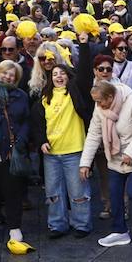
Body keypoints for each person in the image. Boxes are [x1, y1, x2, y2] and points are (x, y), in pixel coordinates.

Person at [82, 80, 132, 248]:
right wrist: (85, 163)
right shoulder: (100, 108)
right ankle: (120, 231)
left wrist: (130, 152)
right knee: (115, 193)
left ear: (110, 97)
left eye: (99, 101)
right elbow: (94, 134)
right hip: (115, 157)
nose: (97, 105)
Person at [32, 63, 92, 239]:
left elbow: (84, 75)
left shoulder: (75, 93)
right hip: (51, 154)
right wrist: (41, 141)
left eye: (62, 73)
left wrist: (83, 44)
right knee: (53, 192)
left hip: (74, 151)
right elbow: (38, 123)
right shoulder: (44, 98)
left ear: (68, 76)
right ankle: (57, 224)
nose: (58, 77)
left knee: (78, 191)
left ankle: (82, 224)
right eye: (54, 74)